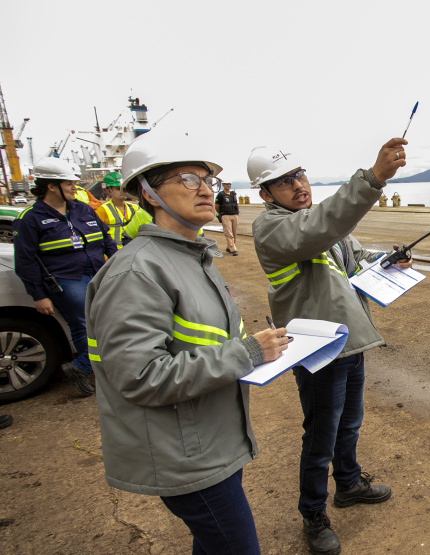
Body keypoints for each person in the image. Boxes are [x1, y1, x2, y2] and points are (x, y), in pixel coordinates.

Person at [85, 131, 291, 554]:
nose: (205, 190)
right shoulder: (138, 272)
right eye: (187, 179)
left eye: (207, 180)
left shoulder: (190, 257)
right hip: (183, 454)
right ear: (147, 191)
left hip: (208, 439)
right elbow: (140, 375)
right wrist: (249, 352)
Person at [249, 138, 407, 555]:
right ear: (265, 195)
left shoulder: (316, 224)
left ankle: (350, 484)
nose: (298, 185)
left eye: (299, 175)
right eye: (284, 182)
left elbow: (354, 258)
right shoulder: (274, 228)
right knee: (321, 435)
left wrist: (389, 259)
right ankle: (313, 513)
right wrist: (373, 179)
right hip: (317, 350)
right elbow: (321, 227)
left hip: (349, 341)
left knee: (349, 424)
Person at [12, 157, 118, 396]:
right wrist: (39, 295)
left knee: (110, 320)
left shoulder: (82, 209)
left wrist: (115, 264)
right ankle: (90, 369)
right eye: (69, 183)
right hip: (67, 280)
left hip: (98, 274)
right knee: (83, 325)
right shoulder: (30, 218)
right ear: (51, 186)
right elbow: (25, 262)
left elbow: (107, 240)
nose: (74, 187)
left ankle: (83, 367)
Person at [95, 172, 138, 249]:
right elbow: (98, 236)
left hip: (132, 249)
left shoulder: (134, 208)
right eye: (118, 189)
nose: (122, 192)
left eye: (124, 189)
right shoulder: (102, 211)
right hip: (114, 252)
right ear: (108, 191)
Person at [215, 181, 240, 256]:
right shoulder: (220, 194)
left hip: (234, 215)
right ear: (223, 185)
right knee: (229, 233)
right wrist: (221, 215)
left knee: (234, 232)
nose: (228, 185)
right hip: (225, 215)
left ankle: (230, 247)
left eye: (229, 184)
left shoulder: (233, 194)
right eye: (227, 184)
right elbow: (217, 206)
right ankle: (233, 249)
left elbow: (236, 203)